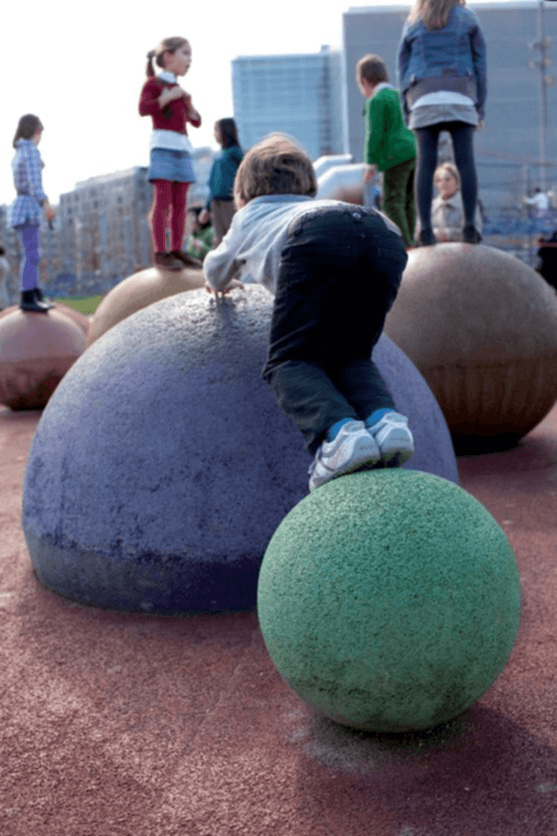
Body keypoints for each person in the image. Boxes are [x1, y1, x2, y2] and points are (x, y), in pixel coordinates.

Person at [204, 134, 414, 493]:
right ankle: (386, 422)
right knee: (352, 355)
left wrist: (218, 283)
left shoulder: (249, 215)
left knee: (290, 361)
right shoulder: (316, 205)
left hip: (317, 238)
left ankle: (339, 435)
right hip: (382, 235)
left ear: (242, 194)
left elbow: (215, 269)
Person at [397, 0, 487, 246]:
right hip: (461, 92)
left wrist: (407, 110)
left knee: (425, 164)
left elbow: (402, 69)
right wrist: (479, 108)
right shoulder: (468, 18)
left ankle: (425, 230)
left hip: (422, 96)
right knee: (465, 162)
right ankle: (470, 226)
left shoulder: (414, 21)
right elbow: (480, 65)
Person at [139, 36, 202, 271]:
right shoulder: (153, 84)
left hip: (182, 148)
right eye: (185, 54)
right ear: (168, 56)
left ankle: (177, 249)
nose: (189, 60)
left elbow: (196, 121)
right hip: (163, 147)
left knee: (180, 203)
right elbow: (144, 108)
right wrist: (168, 97)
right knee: (163, 201)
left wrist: (189, 104)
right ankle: (160, 252)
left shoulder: (180, 90)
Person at [356, 54, 417, 248]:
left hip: (394, 155)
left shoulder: (376, 100)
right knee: (408, 199)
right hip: (413, 151)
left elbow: (374, 134)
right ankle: (413, 239)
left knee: (391, 201)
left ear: (364, 81)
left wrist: (370, 164)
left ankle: (405, 243)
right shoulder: (399, 95)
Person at [7, 114, 56, 313]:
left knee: (33, 253)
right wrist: (46, 204)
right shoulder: (31, 151)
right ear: (37, 130)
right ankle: (28, 295)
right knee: (32, 254)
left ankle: (34, 292)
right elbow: (35, 184)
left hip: (21, 207)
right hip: (28, 208)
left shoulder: (21, 151)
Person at [202, 118, 244, 247]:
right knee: (219, 239)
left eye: (217, 130)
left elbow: (244, 176)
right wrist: (207, 207)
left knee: (234, 237)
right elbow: (212, 185)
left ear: (226, 131)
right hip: (216, 202)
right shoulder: (219, 156)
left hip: (230, 201)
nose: (214, 134)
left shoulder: (236, 153)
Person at [423, 161, 483, 241]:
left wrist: (448, 234)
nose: (443, 183)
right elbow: (419, 230)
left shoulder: (468, 204)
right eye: (438, 180)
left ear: (457, 181)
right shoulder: (431, 206)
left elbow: (476, 232)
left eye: (447, 179)